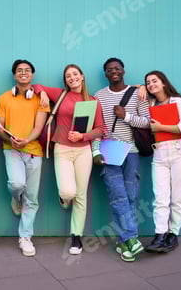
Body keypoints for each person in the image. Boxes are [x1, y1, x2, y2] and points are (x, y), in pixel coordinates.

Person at [33, 64, 105, 255]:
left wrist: (83, 137)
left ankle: (76, 236)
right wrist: (42, 94)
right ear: (65, 80)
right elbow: (37, 85)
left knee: (81, 196)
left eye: (75, 74)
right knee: (68, 192)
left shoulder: (93, 101)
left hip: (83, 151)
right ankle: (64, 198)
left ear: (82, 76)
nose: (72, 78)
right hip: (62, 149)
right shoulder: (60, 95)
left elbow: (100, 129)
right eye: (68, 76)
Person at [93, 57, 150, 262]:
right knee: (117, 195)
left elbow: (147, 123)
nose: (114, 72)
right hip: (109, 151)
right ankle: (132, 238)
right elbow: (96, 127)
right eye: (109, 70)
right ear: (105, 73)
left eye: (117, 68)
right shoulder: (98, 96)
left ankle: (123, 241)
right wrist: (95, 150)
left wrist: (125, 116)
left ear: (123, 71)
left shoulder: (138, 94)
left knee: (131, 196)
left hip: (132, 151)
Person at [0, 59, 49, 257]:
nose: (23, 73)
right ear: (14, 74)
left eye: (27, 70)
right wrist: (10, 139)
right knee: (17, 184)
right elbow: (0, 127)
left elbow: (39, 126)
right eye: (19, 70)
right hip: (11, 149)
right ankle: (15, 198)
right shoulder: (3, 99)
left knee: (32, 198)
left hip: (34, 150)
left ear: (32, 75)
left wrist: (26, 140)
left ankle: (25, 237)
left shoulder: (40, 99)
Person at [144, 70, 181, 253]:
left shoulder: (177, 102)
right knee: (160, 198)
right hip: (160, 154)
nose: (151, 85)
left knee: (179, 197)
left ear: (164, 82)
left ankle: (173, 234)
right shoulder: (151, 103)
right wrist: (140, 87)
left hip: (179, 153)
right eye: (148, 82)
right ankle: (159, 234)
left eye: (154, 81)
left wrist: (160, 126)